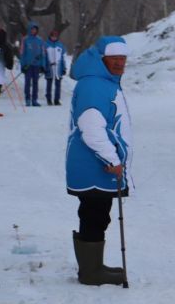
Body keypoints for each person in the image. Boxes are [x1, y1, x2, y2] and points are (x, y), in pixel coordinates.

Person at [65, 36, 132, 286]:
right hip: (94, 166)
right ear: (101, 59)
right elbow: (90, 127)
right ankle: (91, 272)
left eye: (123, 58)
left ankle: (92, 267)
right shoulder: (94, 85)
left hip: (95, 167)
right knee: (95, 214)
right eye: (114, 58)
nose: (119, 63)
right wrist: (112, 159)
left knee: (97, 214)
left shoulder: (103, 82)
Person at [20, 21, 45, 106]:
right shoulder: (25, 39)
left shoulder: (40, 40)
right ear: (29, 30)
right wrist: (22, 65)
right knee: (27, 82)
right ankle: (27, 99)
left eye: (35, 29)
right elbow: (22, 53)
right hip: (28, 65)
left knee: (35, 83)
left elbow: (43, 54)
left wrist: (43, 65)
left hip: (37, 65)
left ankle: (34, 100)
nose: (33, 31)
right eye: (32, 29)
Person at [43, 29, 67, 105]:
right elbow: (44, 57)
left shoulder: (60, 45)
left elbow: (63, 58)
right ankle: (49, 99)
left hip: (58, 68)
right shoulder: (46, 44)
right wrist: (43, 66)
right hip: (49, 67)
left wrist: (64, 68)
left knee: (58, 85)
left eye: (55, 36)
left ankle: (57, 100)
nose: (54, 38)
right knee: (49, 84)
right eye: (52, 36)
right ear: (50, 36)